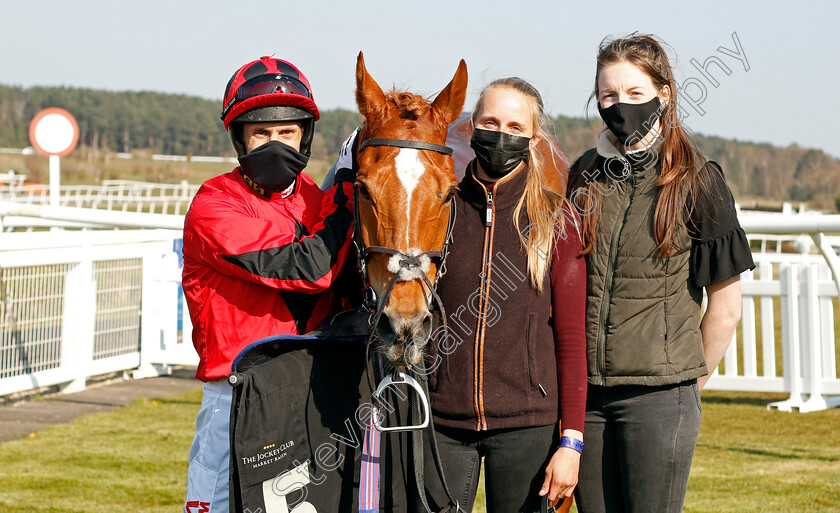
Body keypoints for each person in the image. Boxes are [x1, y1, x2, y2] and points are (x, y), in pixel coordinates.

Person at [566, 35, 755, 513]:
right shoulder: (583, 175)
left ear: (664, 93)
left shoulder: (698, 179)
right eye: (609, 95)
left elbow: (726, 306)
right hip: (588, 398)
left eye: (634, 93)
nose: (620, 105)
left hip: (660, 398)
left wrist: (688, 389)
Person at [181, 56, 356, 513]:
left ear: (304, 136)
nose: (275, 143)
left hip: (309, 394)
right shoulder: (214, 205)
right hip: (238, 393)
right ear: (240, 137)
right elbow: (309, 268)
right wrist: (346, 192)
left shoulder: (312, 199)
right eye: (261, 133)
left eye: (287, 132)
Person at [420, 77, 588, 513]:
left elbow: (571, 339)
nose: (501, 135)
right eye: (491, 122)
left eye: (515, 127)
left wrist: (571, 441)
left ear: (533, 138)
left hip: (527, 425)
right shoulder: (441, 212)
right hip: (441, 424)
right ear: (471, 127)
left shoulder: (558, 220)